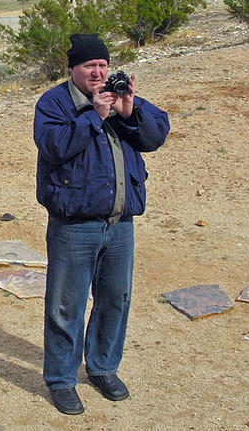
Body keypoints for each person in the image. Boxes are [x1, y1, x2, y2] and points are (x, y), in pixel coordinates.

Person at [33, 33, 169, 415]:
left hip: (120, 222)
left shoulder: (118, 96)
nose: (98, 72)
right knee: (65, 306)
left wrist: (129, 112)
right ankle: (61, 379)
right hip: (74, 224)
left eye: (103, 66)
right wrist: (94, 115)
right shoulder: (54, 102)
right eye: (90, 66)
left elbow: (156, 134)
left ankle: (103, 368)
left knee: (115, 300)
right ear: (73, 69)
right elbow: (55, 146)